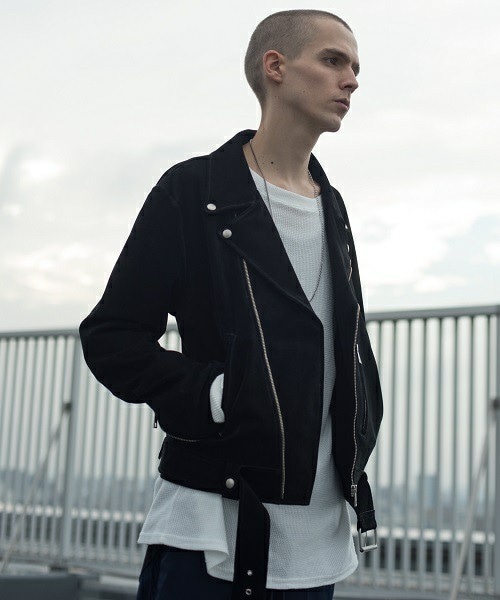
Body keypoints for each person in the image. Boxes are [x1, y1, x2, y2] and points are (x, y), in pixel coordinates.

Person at [79, 8, 383, 600]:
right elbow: (111, 337)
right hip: (210, 532)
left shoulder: (333, 206)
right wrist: (215, 396)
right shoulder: (194, 190)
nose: (350, 80)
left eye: (354, 67)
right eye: (332, 60)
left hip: (321, 543)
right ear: (276, 66)